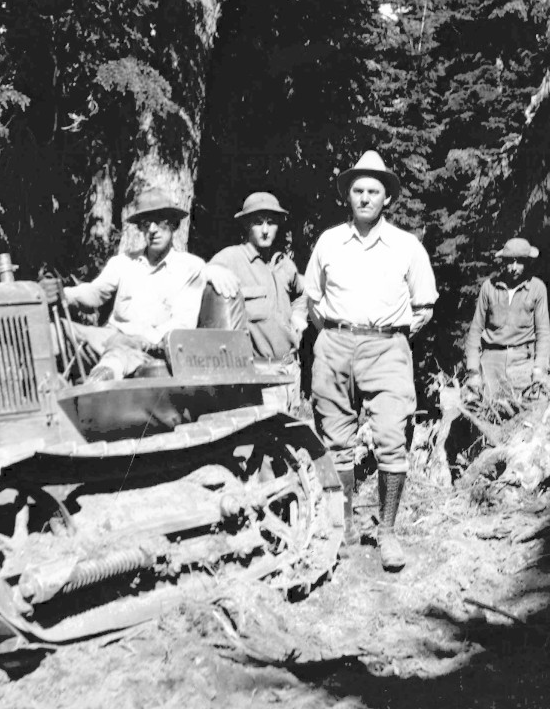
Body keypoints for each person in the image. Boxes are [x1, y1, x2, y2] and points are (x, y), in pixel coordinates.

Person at [303, 150, 438, 571]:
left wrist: (390, 339)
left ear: (387, 199)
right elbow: (313, 300)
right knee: (336, 442)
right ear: (348, 196)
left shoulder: (406, 246)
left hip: (388, 349)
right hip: (335, 345)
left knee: (392, 439)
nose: (364, 198)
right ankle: (340, 531)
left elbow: (425, 307)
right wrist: (336, 336)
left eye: (373, 191)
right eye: (357, 190)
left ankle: (389, 534)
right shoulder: (328, 241)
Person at [40, 188, 206, 382]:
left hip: (150, 348)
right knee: (51, 331)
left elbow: (182, 324)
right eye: (146, 224)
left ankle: (98, 383)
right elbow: (95, 293)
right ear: (141, 229)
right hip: (108, 338)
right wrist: (63, 293)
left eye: (160, 221)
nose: (152, 230)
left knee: (118, 354)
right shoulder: (123, 262)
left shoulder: (190, 267)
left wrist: (143, 340)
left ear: (174, 225)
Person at [208, 192, 307, 412]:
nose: (264, 230)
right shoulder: (232, 258)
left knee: (288, 440)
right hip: (259, 378)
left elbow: (302, 291)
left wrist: (299, 316)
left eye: (271, 223)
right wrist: (210, 271)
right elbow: (199, 276)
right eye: (257, 223)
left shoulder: (284, 264)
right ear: (246, 225)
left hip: (290, 371)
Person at [465, 237, 549, 399]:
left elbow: (543, 334)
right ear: (503, 262)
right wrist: (473, 371)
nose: (514, 268)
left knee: (526, 413)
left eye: (520, 262)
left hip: (522, 363)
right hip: (490, 363)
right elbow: (475, 331)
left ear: (528, 262)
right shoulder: (489, 287)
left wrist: (539, 369)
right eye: (510, 261)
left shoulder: (537, 288)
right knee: (482, 412)